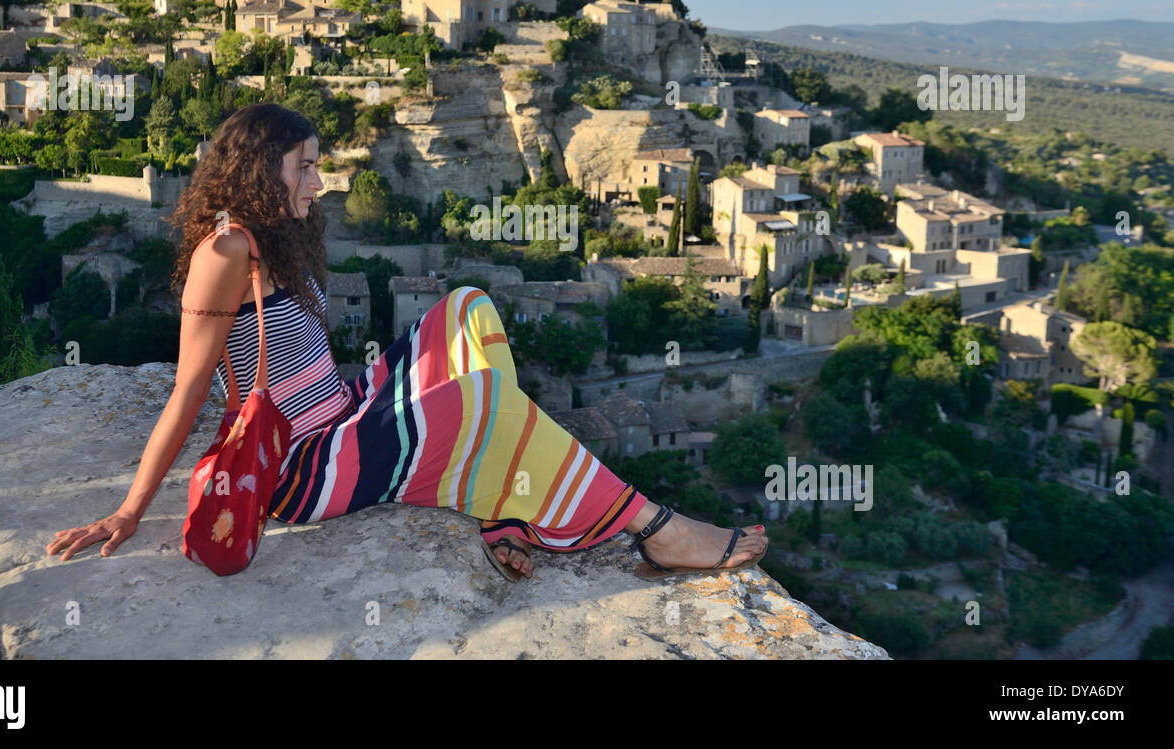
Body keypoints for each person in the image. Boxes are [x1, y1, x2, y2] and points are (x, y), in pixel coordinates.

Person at [46, 103, 768, 580]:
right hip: (302, 467)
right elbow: (190, 390)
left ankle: (504, 508)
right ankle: (654, 527)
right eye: (305, 166)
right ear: (261, 169)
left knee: (466, 307)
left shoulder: (278, 236)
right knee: (478, 396)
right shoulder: (227, 250)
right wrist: (131, 509)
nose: (320, 181)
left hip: (342, 414)